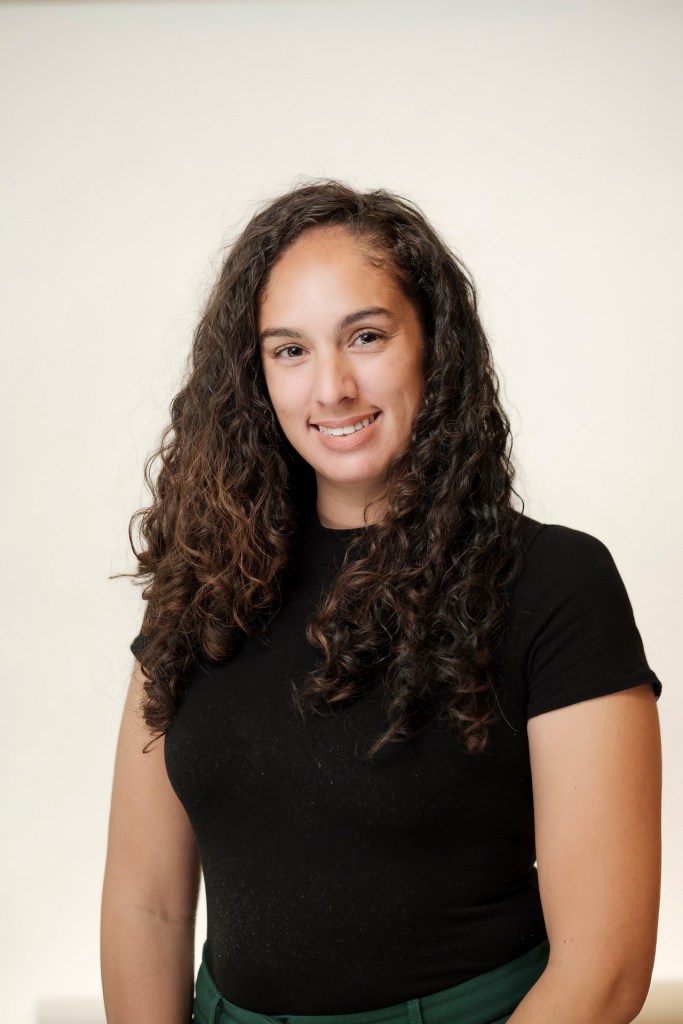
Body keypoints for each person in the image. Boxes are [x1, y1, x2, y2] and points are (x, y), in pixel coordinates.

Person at [101, 180, 663, 1024]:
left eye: (364, 336)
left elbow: (605, 971)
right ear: (254, 377)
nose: (329, 388)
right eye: (288, 350)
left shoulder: (555, 583)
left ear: (434, 345)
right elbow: (146, 904)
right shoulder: (203, 585)